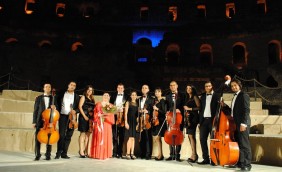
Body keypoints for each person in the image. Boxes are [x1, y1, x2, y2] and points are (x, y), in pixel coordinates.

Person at [222, 79, 252, 171]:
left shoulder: (244, 95)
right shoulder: (235, 96)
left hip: (242, 123)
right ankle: (240, 163)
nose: (233, 87)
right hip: (235, 123)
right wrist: (224, 106)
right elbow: (233, 111)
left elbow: (246, 110)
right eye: (232, 86)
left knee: (244, 144)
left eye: (235, 85)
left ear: (239, 85)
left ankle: (247, 164)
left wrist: (244, 123)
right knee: (239, 144)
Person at [32, 83, 58, 161]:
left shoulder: (53, 97)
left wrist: (55, 107)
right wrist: (34, 122)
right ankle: (38, 154)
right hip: (39, 120)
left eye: (49, 87)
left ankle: (48, 155)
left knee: (49, 138)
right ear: (43, 88)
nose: (48, 88)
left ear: (50, 89)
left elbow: (57, 109)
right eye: (46, 87)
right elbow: (35, 110)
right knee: (38, 138)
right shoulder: (39, 98)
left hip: (49, 122)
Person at [55, 81, 80, 159]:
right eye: (71, 85)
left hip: (72, 117)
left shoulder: (77, 96)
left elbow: (80, 107)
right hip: (62, 116)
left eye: (74, 85)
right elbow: (55, 100)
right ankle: (58, 152)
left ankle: (64, 153)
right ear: (68, 85)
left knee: (69, 135)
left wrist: (75, 111)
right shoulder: (62, 93)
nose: (72, 86)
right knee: (61, 135)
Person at [198, 81, 220, 165]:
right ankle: (206, 159)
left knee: (213, 141)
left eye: (209, 86)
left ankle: (214, 159)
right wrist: (200, 121)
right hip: (203, 121)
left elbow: (220, 109)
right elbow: (201, 109)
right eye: (206, 86)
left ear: (212, 86)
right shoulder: (203, 96)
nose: (208, 88)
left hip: (213, 121)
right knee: (202, 140)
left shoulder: (217, 96)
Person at [89, 92, 115, 160]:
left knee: (106, 138)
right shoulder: (98, 104)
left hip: (107, 124)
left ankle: (106, 154)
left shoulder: (111, 105)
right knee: (99, 138)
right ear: (102, 96)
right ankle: (97, 154)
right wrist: (98, 115)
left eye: (107, 95)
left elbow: (112, 116)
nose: (106, 96)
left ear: (109, 97)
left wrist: (105, 116)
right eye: (104, 95)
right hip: (99, 124)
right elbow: (95, 114)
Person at [165, 81, 186, 162]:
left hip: (179, 118)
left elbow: (184, 105)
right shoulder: (167, 96)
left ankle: (177, 155)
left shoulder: (183, 95)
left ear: (177, 86)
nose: (172, 87)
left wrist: (180, 110)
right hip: (170, 119)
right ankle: (171, 154)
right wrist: (168, 111)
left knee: (178, 136)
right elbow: (167, 107)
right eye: (171, 85)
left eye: (174, 85)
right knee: (170, 134)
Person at [110, 83, 128, 158]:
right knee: (114, 136)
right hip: (114, 117)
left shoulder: (127, 96)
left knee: (121, 136)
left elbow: (127, 107)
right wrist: (115, 109)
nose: (120, 89)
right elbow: (110, 105)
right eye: (119, 88)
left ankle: (120, 153)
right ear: (117, 88)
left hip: (123, 118)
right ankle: (114, 152)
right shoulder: (113, 95)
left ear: (123, 89)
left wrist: (122, 109)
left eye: (121, 88)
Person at [183, 84, 200, 163]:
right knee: (190, 136)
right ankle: (194, 154)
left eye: (190, 88)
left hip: (193, 118)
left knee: (191, 136)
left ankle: (194, 155)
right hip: (188, 118)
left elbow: (199, 107)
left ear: (193, 89)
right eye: (187, 88)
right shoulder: (187, 97)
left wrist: (189, 108)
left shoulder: (195, 97)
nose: (188, 89)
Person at [78, 85, 95, 158]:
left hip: (90, 118)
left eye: (91, 90)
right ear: (86, 90)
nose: (89, 91)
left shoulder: (92, 99)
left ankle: (85, 151)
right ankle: (81, 151)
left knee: (88, 134)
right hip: (83, 117)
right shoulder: (83, 97)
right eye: (88, 90)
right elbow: (80, 107)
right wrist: (84, 116)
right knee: (83, 134)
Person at [137, 84, 154, 160]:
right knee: (141, 137)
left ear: (148, 90)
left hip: (147, 120)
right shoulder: (139, 99)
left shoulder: (152, 99)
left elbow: (153, 110)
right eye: (143, 88)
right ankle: (142, 153)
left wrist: (148, 111)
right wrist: (139, 111)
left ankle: (148, 154)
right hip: (140, 120)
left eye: (146, 88)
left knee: (148, 137)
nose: (144, 89)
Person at [151, 88, 166, 161]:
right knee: (158, 138)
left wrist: (157, 109)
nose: (157, 93)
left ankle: (160, 155)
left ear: (161, 93)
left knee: (158, 138)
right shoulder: (156, 101)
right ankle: (160, 154)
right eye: (156, 92)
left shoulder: (163, 101)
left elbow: (164, 112)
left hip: (161, 121)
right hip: (156, 121)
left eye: (158, 92)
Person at [124, 91, 139, 160]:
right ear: (130, 96)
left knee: (133, 138)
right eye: (132, 95)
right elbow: (125, 113)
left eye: (135, 95)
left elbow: (138, 115)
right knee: (130, 138)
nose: (133, 96)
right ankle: (127, 153)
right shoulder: (128, 103)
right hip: (129, 121)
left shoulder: (137, 104)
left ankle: (132, 153)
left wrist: (138, 123)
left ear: (136, 96)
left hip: (135, 122)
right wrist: (126, 122)